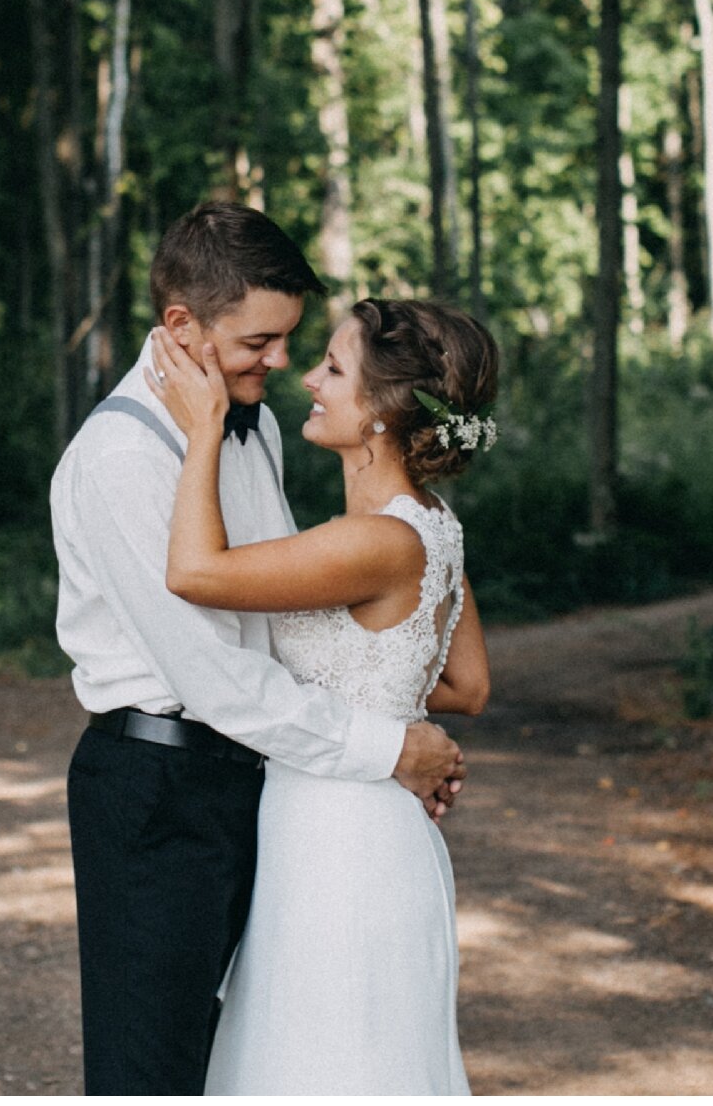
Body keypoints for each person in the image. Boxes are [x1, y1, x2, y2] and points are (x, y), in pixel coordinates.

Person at [49, 202, 469, 1096]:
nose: (279, 364)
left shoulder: (257, 427)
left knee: (266, 1052)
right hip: (158, 792)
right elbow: (218, 677)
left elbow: (284, 629)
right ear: (181, 328)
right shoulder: (120, 459)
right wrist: (388, 747)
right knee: (151, 1069)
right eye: (259, 342)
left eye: (291, 342)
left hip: (266, 789)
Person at [146, 294, 497, 1096]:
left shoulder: (372, 541)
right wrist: (389, 720)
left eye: (333, 368)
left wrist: (203, 431)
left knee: (322, 1060)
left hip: (339, 842)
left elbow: (195, 574)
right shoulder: (435, 524)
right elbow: (466, 686)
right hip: (378, 830)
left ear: (380, 411)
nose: (308, 377)